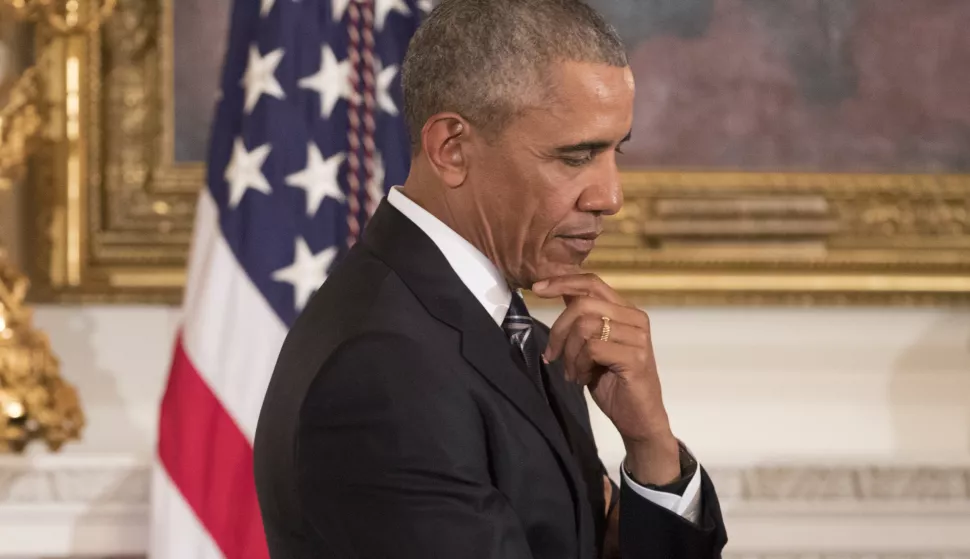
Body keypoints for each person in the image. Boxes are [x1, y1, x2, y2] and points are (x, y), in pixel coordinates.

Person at [253, 0, 728, 557]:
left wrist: (650, 444)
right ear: (452, 149)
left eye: (614, 152)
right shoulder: (384, 365)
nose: (611, 198)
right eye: (576, 156)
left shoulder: (513, 326)